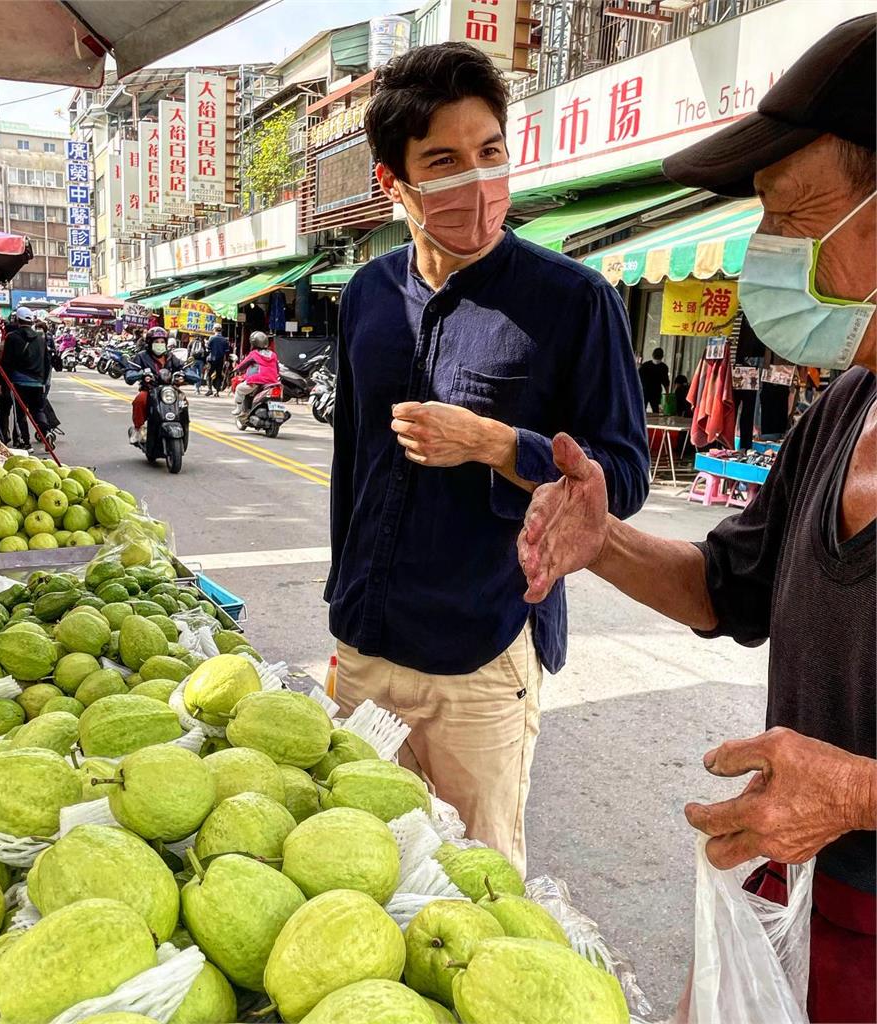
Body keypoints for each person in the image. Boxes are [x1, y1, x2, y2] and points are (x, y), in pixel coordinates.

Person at [518, 16, 875, 1021]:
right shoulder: (838, 410)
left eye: (794, 215)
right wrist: (603, 540)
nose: (764, 254)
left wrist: (853, 794)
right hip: (793, 898)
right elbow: (728, 589)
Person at [326, 42, 649, 872]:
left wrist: (503, 446)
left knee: (475, 885)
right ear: (391, 183)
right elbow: (352, 464)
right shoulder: (366, 294)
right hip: (366, 647)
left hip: (482, 650)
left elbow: (625, 474)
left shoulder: (576, 301)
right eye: (444, 161)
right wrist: (344, 597)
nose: (476, 181)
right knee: (359, 866)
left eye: (491, 153)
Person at [0, 306, 49, 452]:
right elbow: (46, 361)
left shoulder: (12, 338)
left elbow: (6, 362)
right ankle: (47, 432)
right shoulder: (41, 338)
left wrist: (2, 382)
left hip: (19, 381)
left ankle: (24, 442)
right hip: (38, 382)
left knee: (20, 414)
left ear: (17, 320)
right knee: (37, 410)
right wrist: (44, 381)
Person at [124, 326, 186, 442]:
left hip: (170, 391)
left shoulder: (170, 357)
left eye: (162, 342)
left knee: (184, 402)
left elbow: (184, 367)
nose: (160, 344)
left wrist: (185, 375)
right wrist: (139, 374)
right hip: (150, 390)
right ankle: (138, 430)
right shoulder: (141, 356)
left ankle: (183, 425)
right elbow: (131, 371)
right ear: (149, 343)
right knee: (139, 400)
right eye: (156, 341)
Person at [232, 331, 280, 422]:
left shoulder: (254, 354)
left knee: (239, 389)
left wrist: (236, 369)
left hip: (257, 380)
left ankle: (238, 409)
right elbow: (277, 369)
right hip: (272, 381)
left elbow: (243, 365)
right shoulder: (273, 354)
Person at [638, 347, 670, 414]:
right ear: (662, 356)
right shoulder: (663, 367)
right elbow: (666, 382)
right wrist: (667, 394)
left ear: (652, 355)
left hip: (644, 391)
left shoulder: (645, 366)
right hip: (656, 392)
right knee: (655, 410)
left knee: (642, 410)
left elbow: (637, 378)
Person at [206, 328, 230, 397]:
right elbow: (227, 351)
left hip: (212, 360)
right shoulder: (225, 340)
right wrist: (226, 360)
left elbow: (208, 348)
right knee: (219, 375)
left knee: (209, 374)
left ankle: (210, 389)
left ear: (214, 330)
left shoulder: (212, 338)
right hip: (220, 360)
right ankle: (217, 392)